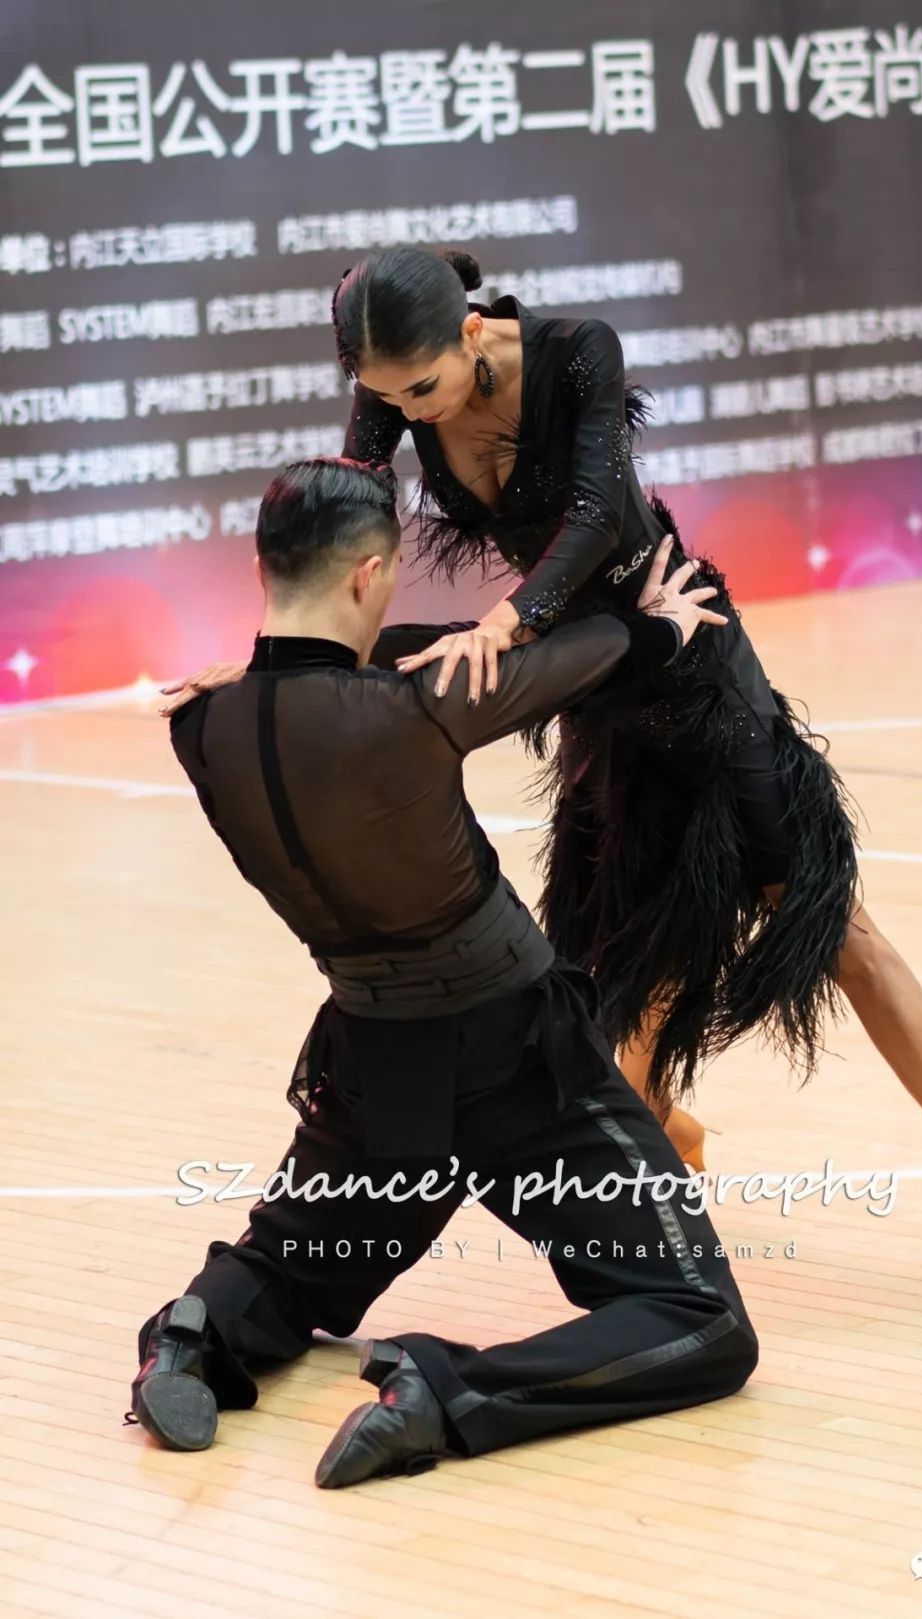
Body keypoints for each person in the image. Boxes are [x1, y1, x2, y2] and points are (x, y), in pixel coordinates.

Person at [167, 247, 922, 1309]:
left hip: (676, 642)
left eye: (421, 389)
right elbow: (339, 527)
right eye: (385, 396)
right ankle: (662, 1130)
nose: (404, 411)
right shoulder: (393, 382)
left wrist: (509, 622)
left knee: (836, 928)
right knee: (613, 957)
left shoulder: (576, 352)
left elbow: (595, 512)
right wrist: (281, 656)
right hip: (584, 669)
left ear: (469, 333)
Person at [132, 456, 759, 1487]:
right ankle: (445, 1388)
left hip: (374, 1071)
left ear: (260, 566)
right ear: (371, 573)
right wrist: (657, 624)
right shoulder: (408, 710)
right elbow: (577, 659)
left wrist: (242, 669)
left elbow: (303, 681)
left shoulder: (201, 727)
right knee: (699, 1319)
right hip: (518, 1064)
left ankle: (187, 1339)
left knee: (290, 1270)